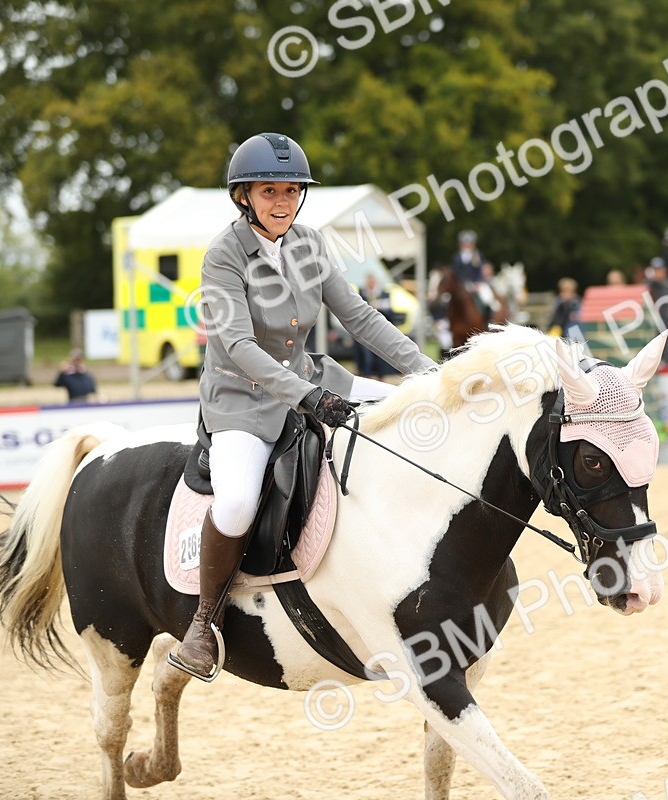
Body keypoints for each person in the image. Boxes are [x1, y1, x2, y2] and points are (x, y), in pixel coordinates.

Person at [171, 133, 437, 680]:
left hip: (311, 377)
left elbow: (359, 318)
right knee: (239, 502)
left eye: (292, 190)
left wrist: (428, 372)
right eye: (270, 190)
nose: (283, 201)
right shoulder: (223, 256)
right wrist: (309, 398)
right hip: (241, 402)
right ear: (243, 196)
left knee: (408, 408)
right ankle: (204, 620)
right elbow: (239, 347)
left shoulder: (310, 244)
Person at [353, 275, 401, 380]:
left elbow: (390, 312)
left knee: (381, 355)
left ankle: (380, 376)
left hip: (379, 330)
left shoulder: (383, 294)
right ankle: (367, 376)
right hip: (365, 331)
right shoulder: (362, 294)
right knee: (367, 356)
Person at [644, 258, 668, 365]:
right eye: (656, 270)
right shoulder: (648, 285)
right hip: (654, 320)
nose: (658, 273)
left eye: (660, 270)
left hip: (666, 319)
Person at [547, 277, 583, 343]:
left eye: (569, 291)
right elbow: (553, 317)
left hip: (571, 329)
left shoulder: (575, 301)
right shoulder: (558, 301)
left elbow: (577, 316)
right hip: (558, 328)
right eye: (564, 291)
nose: (567, 294)